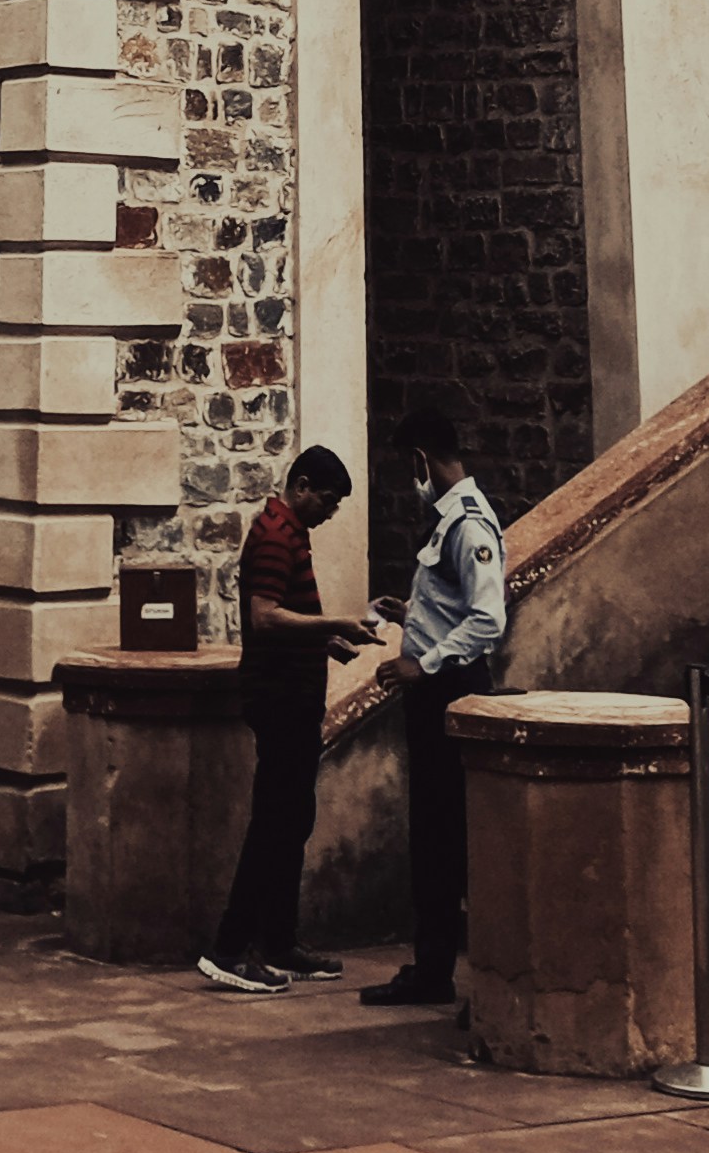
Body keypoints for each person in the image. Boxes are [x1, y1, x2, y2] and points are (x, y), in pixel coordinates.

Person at [196, 445, 386, 995]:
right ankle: (230, 948)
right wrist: (337, 623)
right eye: (326, 500)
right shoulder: (277, 536)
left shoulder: (288, 531)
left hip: (292, 697)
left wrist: (326, 642)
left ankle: (279, 942)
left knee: (292, 820)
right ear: (301, 486)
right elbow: (265, 617)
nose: (330, 512)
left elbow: (285, 617)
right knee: (274, 824)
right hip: (279, 698)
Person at [359, 408, 507, 1007]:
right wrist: (410, 615)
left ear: (422, 458)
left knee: (444, 834)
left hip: (449, 688)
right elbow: (455, 608)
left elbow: (488, 618)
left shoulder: (468, 525)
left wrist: (424, 663)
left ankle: (440, 970)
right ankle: (432, 966)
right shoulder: (449, 520)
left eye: (409, 464)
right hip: (437, 689)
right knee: (433, 832)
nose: (411, 477)